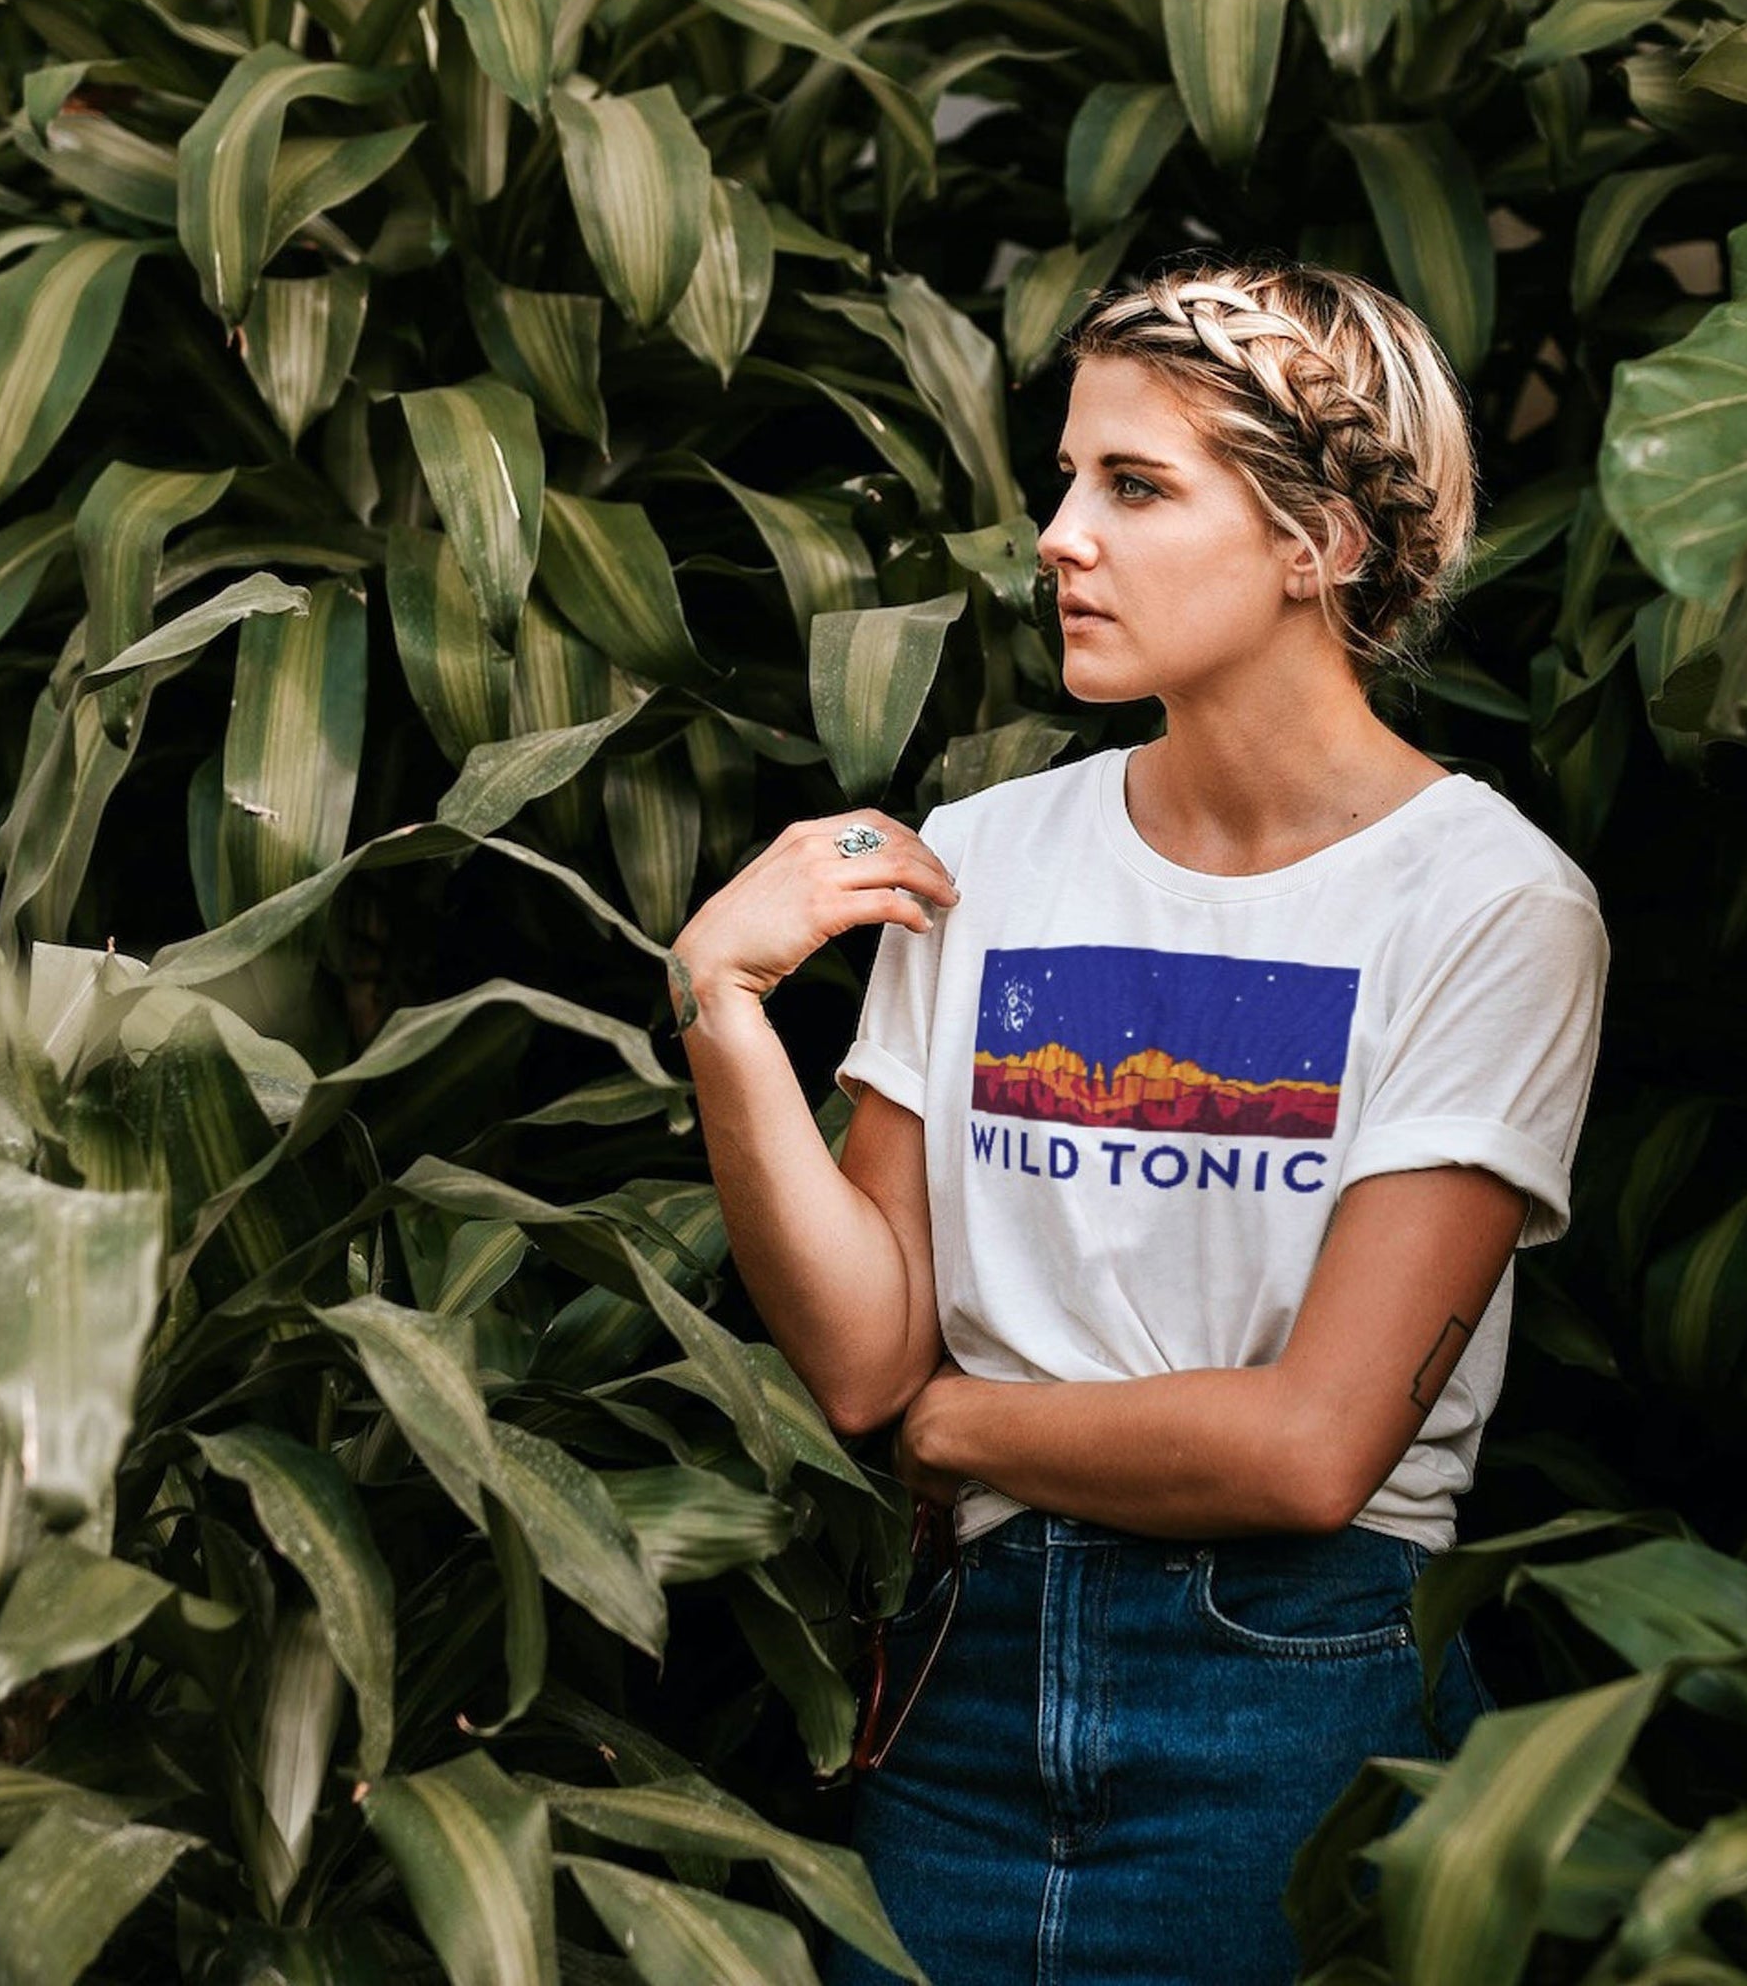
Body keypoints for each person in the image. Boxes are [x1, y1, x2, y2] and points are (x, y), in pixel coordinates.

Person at [666, 257, 1609, 1986]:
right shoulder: (996, 854)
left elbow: (1312, 1451)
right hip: (959, 1686)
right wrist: (724, 1010)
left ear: (1317, 540)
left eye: (1135, 485)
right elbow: (864, 1364)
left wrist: (956, 1431)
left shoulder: (1485, 906)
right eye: (1066, 478)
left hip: (1293, 1699)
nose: (1056, 535)